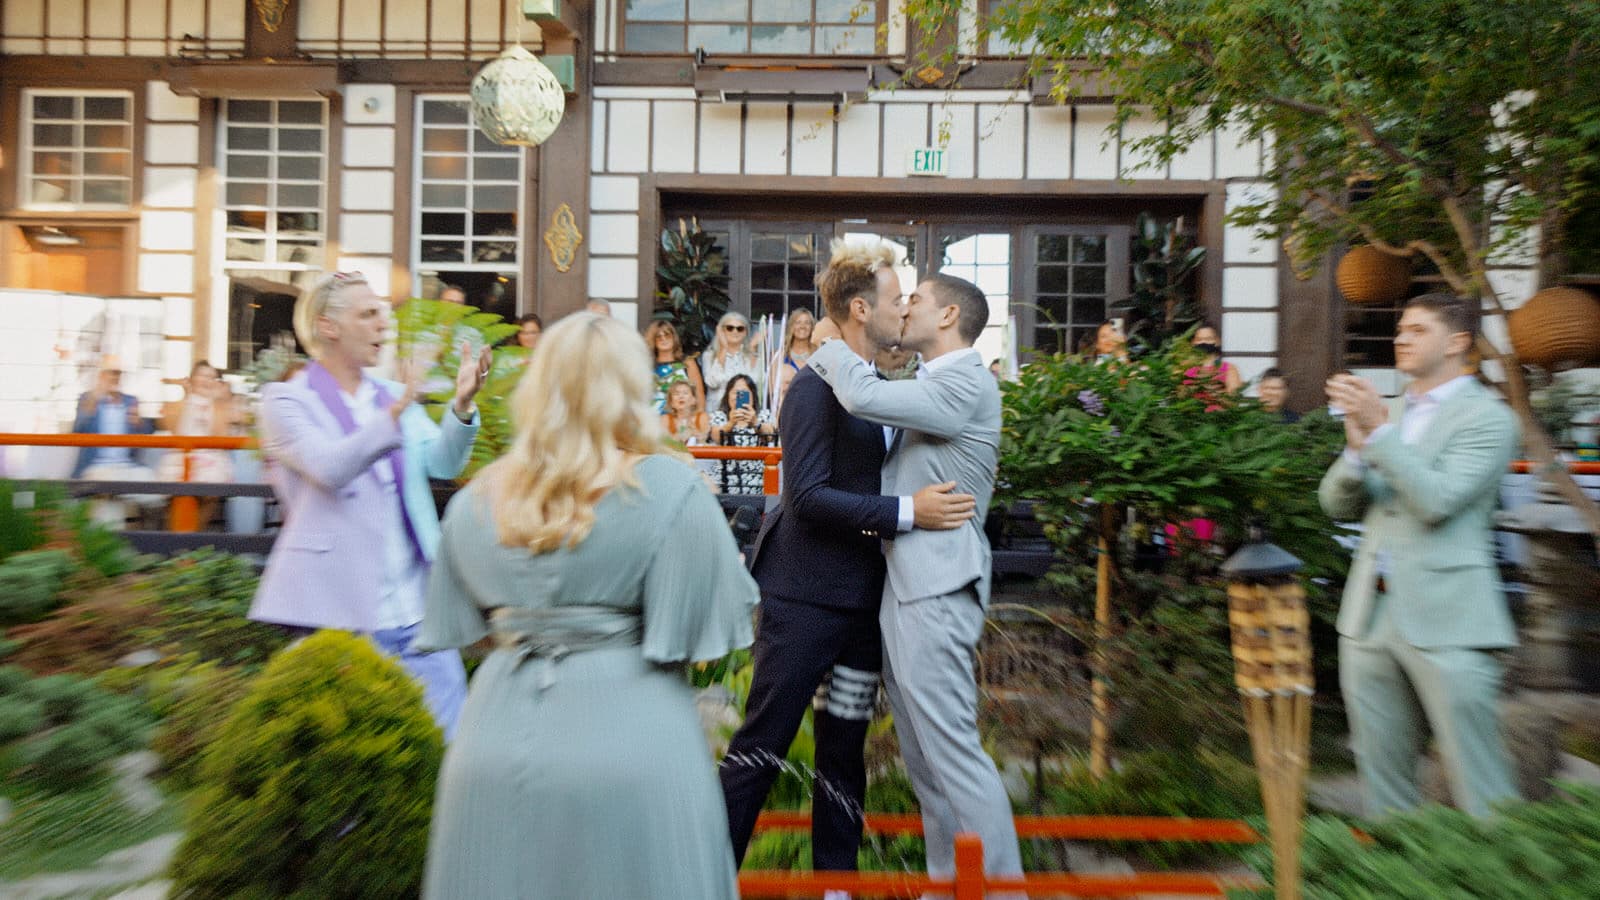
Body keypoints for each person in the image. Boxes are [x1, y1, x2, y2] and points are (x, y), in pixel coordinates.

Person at [419, 313, 757, 899]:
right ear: (631, 389)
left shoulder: (476, 500)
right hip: (632, 742)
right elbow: (709, 640)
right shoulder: (671, 491)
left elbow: (466, 632)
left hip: (494, 741)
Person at [720, 240, 974, 891]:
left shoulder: (878, 389)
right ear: (862, 309)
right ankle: (706, 874)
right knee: (762, 747)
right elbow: (805, 498)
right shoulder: (812, 389)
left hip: (862, 607)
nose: (904, 309)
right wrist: (907, 512)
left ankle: (837, 885)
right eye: (896, 299)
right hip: (802, 602)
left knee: (844, 752)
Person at [808, 271, 1024, 887]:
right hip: (904, 589)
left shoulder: (966, 379)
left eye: (917, 301)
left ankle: (1002, 887)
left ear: (950, 314)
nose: (904, 310)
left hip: (937, 588)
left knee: (952, 755)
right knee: (926, 763)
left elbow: (862, 397)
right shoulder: (930, 379)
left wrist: (826, 344)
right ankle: (948, 881)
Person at [248, 271, 488, 740]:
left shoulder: (390, 398)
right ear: (328, 326)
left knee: (448, 743)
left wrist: (461, 407)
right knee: (356, 756)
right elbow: (331, 468)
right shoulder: (285, 401)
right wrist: (398, 411)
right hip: (340, 614)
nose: (385, 324)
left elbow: (442, 462)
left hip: (416, 610)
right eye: (369, 313)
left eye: (383, 313)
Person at [1319, 292, 1520, 819]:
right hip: (1370, 615)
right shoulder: (1392, 414)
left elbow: (1436, 502)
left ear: (1457, 343)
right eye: (1400, 329)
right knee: (1383, 783)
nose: (1400, 338)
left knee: (1482, 786)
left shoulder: (1490, 419)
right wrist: (1356, 452)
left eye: (1417, 330)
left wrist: (1379, 432)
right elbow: (1336, 505)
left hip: (1450, 617)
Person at [71, 362, 157, 527]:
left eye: (117, 373)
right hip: (96, 466)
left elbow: (146, 433)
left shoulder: (131, 401)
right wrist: (92, 401)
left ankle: (138, 535)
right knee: (109, 489)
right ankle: (116, 536)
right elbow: (78, 430)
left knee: (153, 489)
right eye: (110, 373)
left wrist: (138, 423)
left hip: (127, 466)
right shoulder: (88, 398)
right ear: (101, 376)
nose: (114, 377)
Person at [709, 373, 775, 495]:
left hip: (756, 478)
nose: (738, 396)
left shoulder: (763, 415)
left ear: (752, 396)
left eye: (744, 392)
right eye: (735, 392)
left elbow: (771, 435)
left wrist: (755, 422)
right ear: (727, 395)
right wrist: (731, 423)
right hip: (725, 477)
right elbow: (716, 436)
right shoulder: (719, 416)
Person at [701, 311, 764, 414]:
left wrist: (752, 349)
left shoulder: (753, 356)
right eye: (730, 328)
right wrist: (723, 348)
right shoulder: (709, 355)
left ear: (746, 332)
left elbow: (755, 383)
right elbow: (713, 382)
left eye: (740, 329)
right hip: (717, 413)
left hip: (744, 412)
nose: (735, 332)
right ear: (721, 331)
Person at [647, 319, 707, 413]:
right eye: (658, 337)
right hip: (652, 420)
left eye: (667, 335)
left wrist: (698, 420)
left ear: (673, 337)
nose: (664, 339)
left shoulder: (687, 363)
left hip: (682, 421)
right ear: (653, 340)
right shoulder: (647, 365)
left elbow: (699, 396)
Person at [768, 307, 817, 418]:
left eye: (807, 323)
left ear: (812, 327)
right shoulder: (779, 355)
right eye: (798, 322)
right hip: (786, 413)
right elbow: (772, 391)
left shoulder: (818, 354)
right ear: (791, 326)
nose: (802, 326)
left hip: (813, 412)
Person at [1186, 323, 1243, 397]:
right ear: (1193, 343)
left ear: (1217, 341)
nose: (1204, 342)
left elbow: (1234, 398)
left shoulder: (1229, 368)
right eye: (1199, 339)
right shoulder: (1184, 368)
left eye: (1208, 339)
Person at [660, 379, 709, 445]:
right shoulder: (665, 419)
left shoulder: (702, 417)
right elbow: (663, 443)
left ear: (693, 400)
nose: (681, 396)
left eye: (685, 393)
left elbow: (703, 439)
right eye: (676, 394)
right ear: (671, 402)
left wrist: (693, 431)